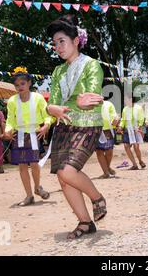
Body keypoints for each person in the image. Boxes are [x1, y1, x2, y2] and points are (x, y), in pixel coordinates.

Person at [45, 14, 106, 239]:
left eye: (62, 41)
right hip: (64, 126)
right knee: (63, 177)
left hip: (87, 125)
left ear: (76, 41)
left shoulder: (92, 65)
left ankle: (97, 197)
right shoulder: (57, 71)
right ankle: (85, 222)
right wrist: (51, 110)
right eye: (55, 43)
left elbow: (93, 93)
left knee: (67, 171)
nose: (57, 46)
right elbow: (52, 102)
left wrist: (83, 101)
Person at [3, 67, 52, 205]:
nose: (20, 87)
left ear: (29, 83)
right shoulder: (12, 101)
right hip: (18, 135)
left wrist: (46, 125)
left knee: (35, 163)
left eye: (22, 84)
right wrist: (8, 130)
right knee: (22, 166)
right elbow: (10, 120)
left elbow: (47, 115)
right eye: (17, 85)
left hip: (34, 134)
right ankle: (29, 195)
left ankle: (37, 187)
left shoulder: (38, 98)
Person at [119, 95, 146, 170]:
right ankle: (134, 164)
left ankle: (140, 161)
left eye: (126, 99)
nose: (125, 101)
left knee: (136, 147)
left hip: (136, 129)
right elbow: (123, 120)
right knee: (126, 146)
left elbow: (141, 118)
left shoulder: (138, 108)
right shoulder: (125, 109)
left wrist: (139, 126)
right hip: (127, 130)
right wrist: (121, 126)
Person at [96, 99, 120, 178]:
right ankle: (106, 172)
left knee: (109, 150)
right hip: (96, 129)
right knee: (99, 151)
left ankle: (107, 168)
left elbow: (114, 115)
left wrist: (116, 119)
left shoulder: (108, 104)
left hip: (108, 129)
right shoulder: (90, 105)